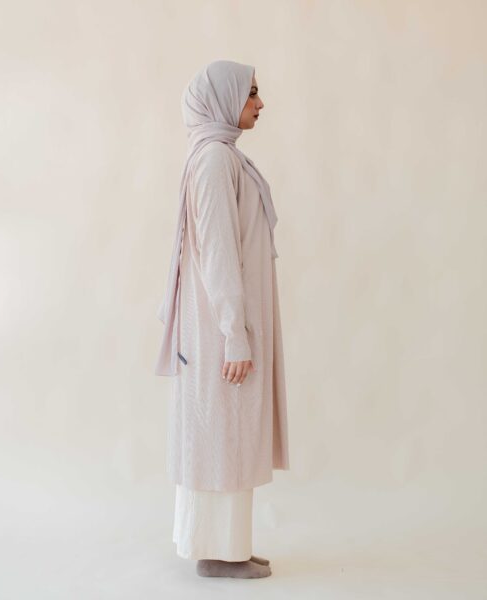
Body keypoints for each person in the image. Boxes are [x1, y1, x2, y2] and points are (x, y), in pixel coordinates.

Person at [155, 60, 290, 579]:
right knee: (221, 440)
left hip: (226, 327)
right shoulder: (214, 160)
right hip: (220, 333)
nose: (259, 103)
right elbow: (216, 253)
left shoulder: (222, 156)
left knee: (229, 437)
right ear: (223, 98)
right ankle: (215, 553)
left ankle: (230, 546)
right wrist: (235, 335)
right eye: (251, 92)